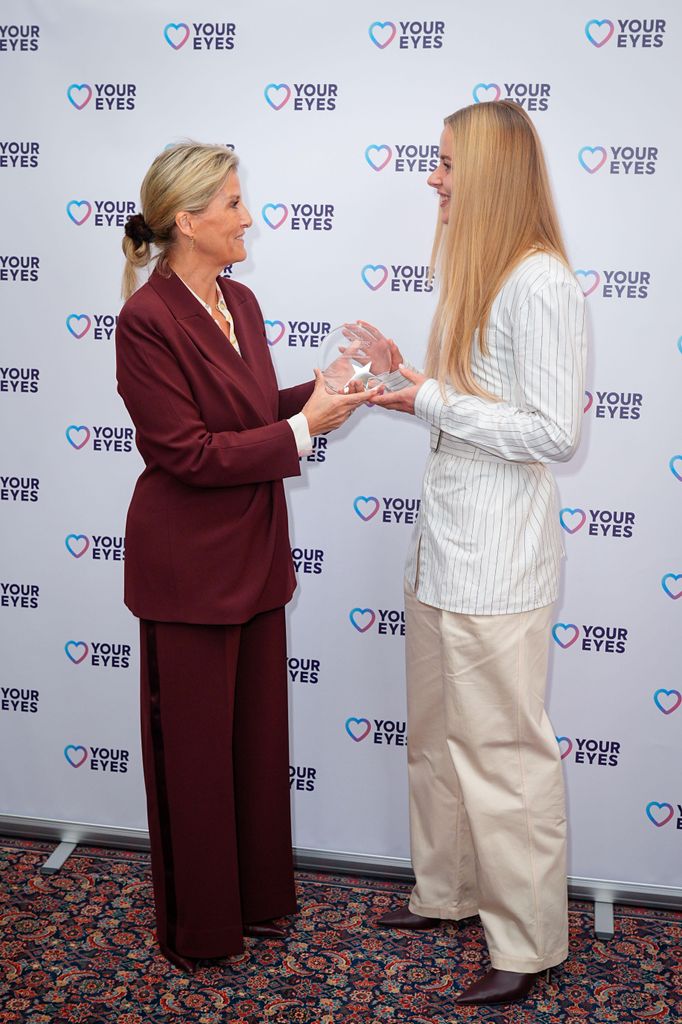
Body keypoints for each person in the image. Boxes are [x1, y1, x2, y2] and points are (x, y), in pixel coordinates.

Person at [116, 142, 377, 972]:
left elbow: (251, 408)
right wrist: (303, 431)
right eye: (231, 204)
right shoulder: (146, 321)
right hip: (188, 572)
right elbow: (188, 452)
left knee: (255, 746)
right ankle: (202, 928)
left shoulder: (245, 302)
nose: (246, 217)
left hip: (255, 557)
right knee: (193, 758)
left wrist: (324, 390)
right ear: (186, 221)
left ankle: (257, 902)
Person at [367, 101, 587, 1005]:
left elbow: (551, 432)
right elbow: (473, 405)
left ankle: (528, 942)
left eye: (447, 163)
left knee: (502, 754)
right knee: (436, 739)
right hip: (445, 552)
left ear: (489, 172)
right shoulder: (479, 271)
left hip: (497, 564)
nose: (433, 177)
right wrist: (407, 383)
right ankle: (448, 892)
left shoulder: (540, 282)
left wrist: (426, 401)